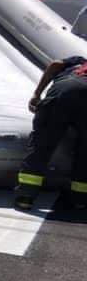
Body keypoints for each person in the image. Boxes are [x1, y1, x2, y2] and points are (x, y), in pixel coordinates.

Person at [14, 56, 87, 210]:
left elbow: (55, 64)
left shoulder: (78, 61)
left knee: (42, 145)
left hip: (62, 92)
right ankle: (80, 200)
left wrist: (37, 93)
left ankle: (25, 197)